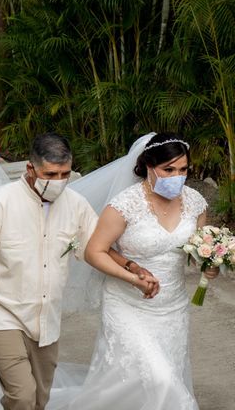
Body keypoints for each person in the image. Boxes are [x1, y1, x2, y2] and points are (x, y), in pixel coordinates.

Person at [0, 133, 158, 410]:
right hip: (2, 314)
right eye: (50, 174)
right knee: (22, 396)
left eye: (64, 174)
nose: (58, 181)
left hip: (47, 321)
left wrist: (132, 269)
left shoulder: (75, 205)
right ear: (30, 169)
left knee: (39, 400)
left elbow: (97, 248)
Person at [54, 132, 220, 410]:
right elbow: (94, 251)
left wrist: (210, 264)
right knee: (162, 381)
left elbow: (198, 248)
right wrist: (132, 277)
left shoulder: (194, 202)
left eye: (183, 170)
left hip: (173, 308)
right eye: (168, 170)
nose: (177, 177)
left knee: (154, 379)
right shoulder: (125, 205)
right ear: (148, 166)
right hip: (128, 305)